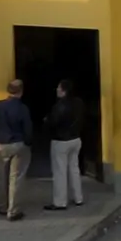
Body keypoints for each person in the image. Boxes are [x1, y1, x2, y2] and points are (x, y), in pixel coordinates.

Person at [0, 76, 36, 220]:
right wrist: (29, 142)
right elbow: (28, 129)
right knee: (16, 177)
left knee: (4, 176)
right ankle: (13, 210)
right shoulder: (23, 108)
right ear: (21, 91)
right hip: (19, 144)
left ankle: (5, 204)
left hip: (2, 144)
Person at [44, 78, 88, 212]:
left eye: (59, 88)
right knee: (74, 169)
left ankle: (60, 202)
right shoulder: (79, 103)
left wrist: (46, 121)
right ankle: (78, 197)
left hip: (61, 141)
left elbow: (54, 122)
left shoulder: (59, 106)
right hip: (75, 139)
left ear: (64, 91)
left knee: (60, 172)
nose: (57, 90)